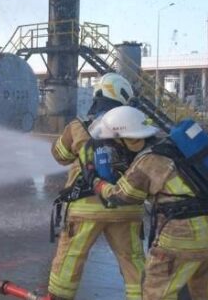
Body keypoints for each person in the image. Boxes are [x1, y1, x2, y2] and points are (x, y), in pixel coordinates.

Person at [90, 106, 208, 300]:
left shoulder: (148, 160)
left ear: (131, 140)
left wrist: (97, 182)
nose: (115, 150)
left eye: (116, 144)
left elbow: (120, 196)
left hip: (182, 240)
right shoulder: (177, 147)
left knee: (157, 294)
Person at [48, 73, 145, 300]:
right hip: (126, 204)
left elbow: (60, 156)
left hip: (85, 207)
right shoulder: (136, 126)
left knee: (71, 258)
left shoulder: (79, 125)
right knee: (133, 261)